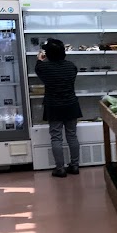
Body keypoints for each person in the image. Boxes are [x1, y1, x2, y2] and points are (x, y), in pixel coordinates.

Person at [35, 39, 82, 178]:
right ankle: (74, 166)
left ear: (47, 54)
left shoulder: (44, 67)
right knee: (72, 135)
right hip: (71, 104)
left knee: (56, 137)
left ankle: (60, 169)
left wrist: (39, 59)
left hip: (54, 105)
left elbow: (38, 68)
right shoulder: (71, 66)